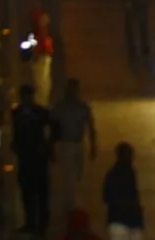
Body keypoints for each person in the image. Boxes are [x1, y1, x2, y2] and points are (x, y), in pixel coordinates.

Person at [11, 83, 54, 237]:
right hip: (24, 157)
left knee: (42, 192)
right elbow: (15, 131)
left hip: (39, 157)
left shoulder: (41, 112)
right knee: (26, 192)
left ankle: (42, 225)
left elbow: (55, 129)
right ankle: (30, 222)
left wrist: (48, 146)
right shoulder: (16, 113)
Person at [52, 78, 98, 213]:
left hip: (78, 144)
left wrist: (93, 145)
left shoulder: (83, 107)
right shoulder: (60, 107)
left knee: (77, 174)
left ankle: (70, 201)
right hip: (65, 144)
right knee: (69, 177)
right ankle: (70, 206)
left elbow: (91, 127)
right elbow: (53, 125)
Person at [103, 142, 145, 240]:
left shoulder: (112, 174)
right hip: (130, 220)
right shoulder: (130, 173)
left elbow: (106, 198)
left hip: (118, 219)